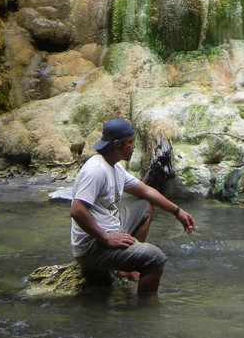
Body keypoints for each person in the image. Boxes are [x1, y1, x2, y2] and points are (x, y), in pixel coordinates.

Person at [70, 118, 196, 296]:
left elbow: (145, 191)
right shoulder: (96, 170)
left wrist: (178, 211)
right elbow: (77, 211)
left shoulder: (115, 168)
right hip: (93, 247)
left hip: (111, 229)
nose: (134, 146)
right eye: (130, 142)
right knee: (156, 259)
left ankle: (126, 267)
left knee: (144, 206)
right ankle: (144, 310)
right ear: (116, 144)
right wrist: (105, 238)